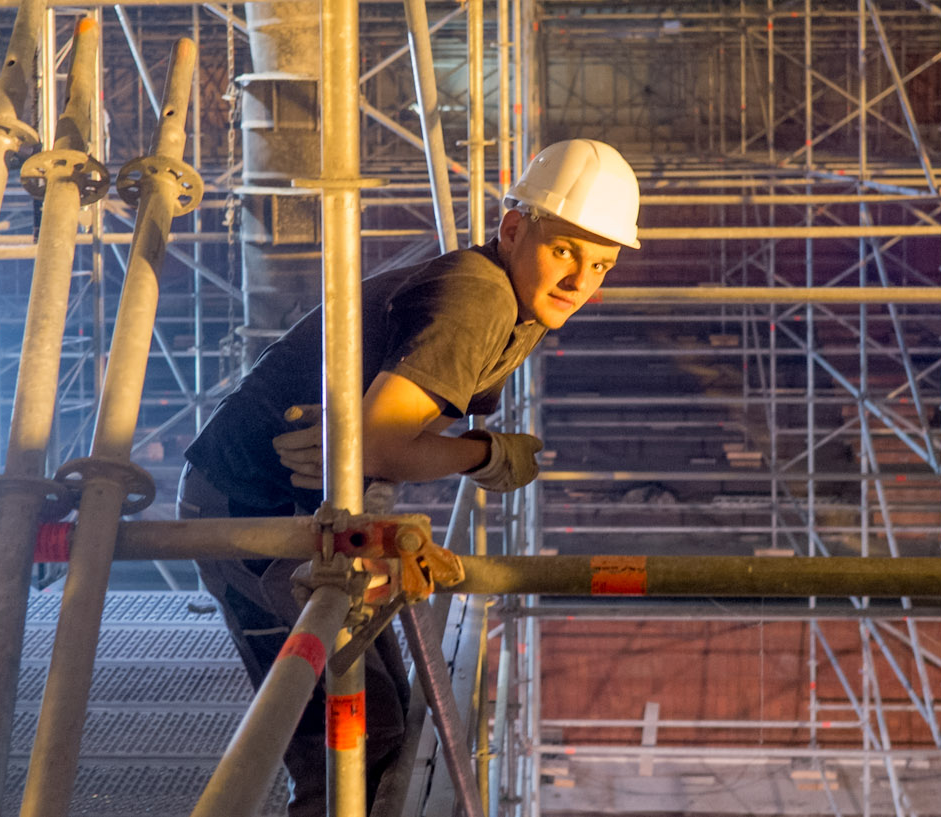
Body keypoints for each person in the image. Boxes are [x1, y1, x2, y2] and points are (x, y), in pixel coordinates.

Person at [177, 138, 640, 816]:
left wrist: (358, 443)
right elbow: (387, 441)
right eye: (565, 250)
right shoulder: (477, 298)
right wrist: (479, 454)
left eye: (600, 262)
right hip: (252, 510)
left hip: (304, 509)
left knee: (382, 727)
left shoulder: (520, 304)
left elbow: (376, 436)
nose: (580, 278)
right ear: (513, 229)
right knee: (351, 748)